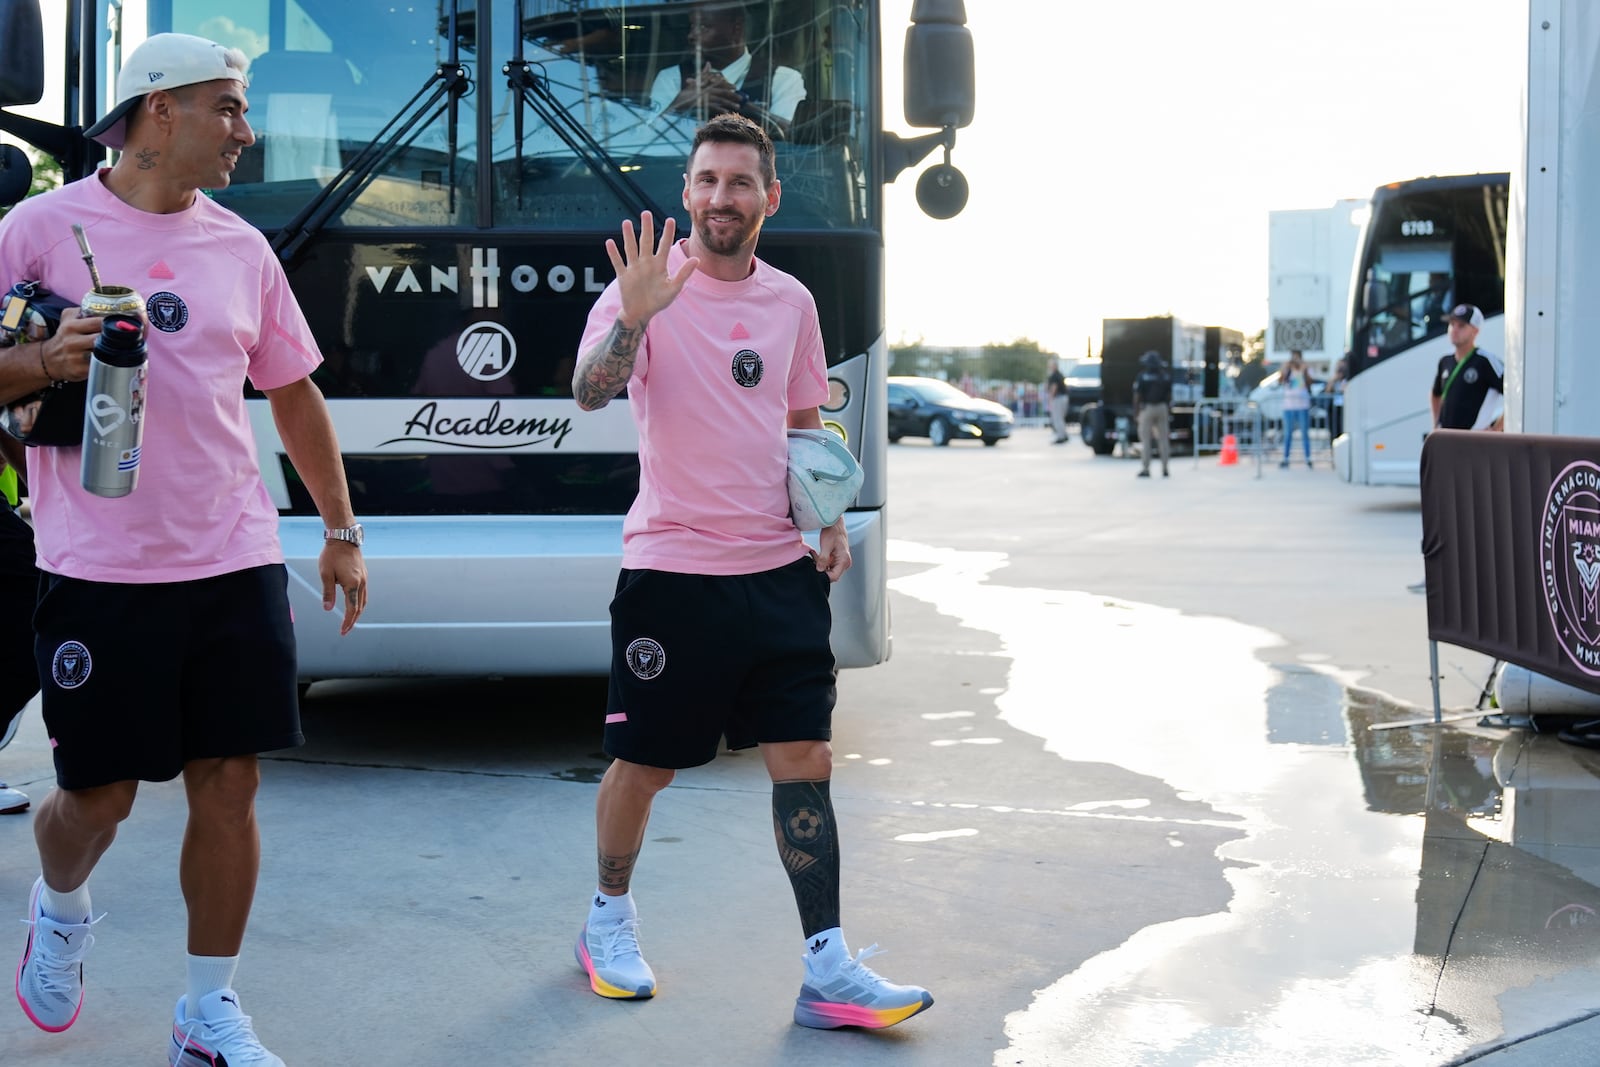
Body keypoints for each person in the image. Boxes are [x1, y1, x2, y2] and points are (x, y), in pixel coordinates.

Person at [0, 32, 367, 1065]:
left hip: (234, 554)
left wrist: (339, 529)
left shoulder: (241, 248)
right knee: (98, 796)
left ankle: (208, 1009)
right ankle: (61, 906)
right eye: (229, 109)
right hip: (98, 566)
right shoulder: (36, 229)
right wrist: (40, 356)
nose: (246, 133)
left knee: (231, 780)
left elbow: (292, 390)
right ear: (160, 112)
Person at [569, 113, 932, 1030]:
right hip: (673, 570)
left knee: (805, 759)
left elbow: (806, 425)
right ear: (685, 194)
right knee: (643, 764)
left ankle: (828, 966)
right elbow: (589, 390)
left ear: (769, 197)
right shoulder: (643, 289)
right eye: (705, 182)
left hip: (777, 572)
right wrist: (633, 320)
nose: (720, 198)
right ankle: (607, 920)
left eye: (739, 183)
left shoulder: (793, 303)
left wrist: (831, 517)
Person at [648, 1, 806, 138]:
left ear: (736, 29)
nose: (691, 35)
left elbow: (790, 138)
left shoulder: (783, 79)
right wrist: (680, 104)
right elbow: (642, 139)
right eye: (692, 26)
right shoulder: (671, 78)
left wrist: (738, 101)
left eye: (703, 26)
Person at [1431, 304, 1505, 431]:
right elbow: (1435, 394)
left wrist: (1496, 429)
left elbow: (1515, 396)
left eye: (1461, 326)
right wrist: (1436, 424)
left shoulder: (1486, 361)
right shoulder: (1445, 360)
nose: (1454, 330)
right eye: (1452, 324)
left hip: (1473, 441)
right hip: (1446, 439)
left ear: (1475, 331)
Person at [1132, 349, 1171, 478]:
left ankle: (1146, 468)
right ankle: (1165, 468)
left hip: (1148, 408)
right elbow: (1169, 395)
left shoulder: (1143, 376)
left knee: (1146, 440)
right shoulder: (1165, 375)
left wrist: (1136, 412)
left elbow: (1137, 396)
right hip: (1162, 408)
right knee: (1163, 440)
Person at [1278, 350, 1315, 469]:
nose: (1295, 361)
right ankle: (1286, 458)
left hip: (1302, 405)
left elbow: (1310, 383)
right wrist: (1284, 368)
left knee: (1305, 433)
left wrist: (1304, 370)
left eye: (1297, 358)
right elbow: (1280, 381)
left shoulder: (1306, 369)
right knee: (1288, 433)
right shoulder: (1288, 370)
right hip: (1289, 406)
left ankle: (1308, 458)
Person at [1045, 358, 1068, 443]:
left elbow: (1054, 388)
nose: (1049, 366)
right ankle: (1064, 435)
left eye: (1050, 365)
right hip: (1063, 397)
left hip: (1058, 398)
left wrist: (1050, 399)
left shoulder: (1054, 375)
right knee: (1060, 418)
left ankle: (1061, 437)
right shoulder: (1059, 374)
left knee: (1057, 418)